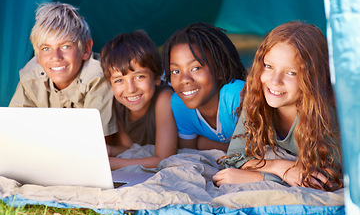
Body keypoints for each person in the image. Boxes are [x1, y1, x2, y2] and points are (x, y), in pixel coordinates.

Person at [213, 21, 343, 191]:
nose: (275, 82)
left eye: (291, 73)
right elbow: (234, 158)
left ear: (313, 78)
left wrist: (260, 176)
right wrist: (280, 168)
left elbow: (328, 179)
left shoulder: (326, 112)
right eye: (268, 67)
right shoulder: (257, 98)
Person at [9, 2, 117, 139]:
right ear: (37, 56)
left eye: (65, 46)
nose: (55, 57)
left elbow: (97, 143)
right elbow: (14, 132)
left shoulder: (97, 76)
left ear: (86, 49)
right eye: (46, 48)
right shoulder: (30, 77)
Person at [162, 22, 247, 152]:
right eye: (175, 71)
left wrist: (202, 143)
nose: (184, 80)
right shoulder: (178, 104)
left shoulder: (235, 94)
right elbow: (189, 151)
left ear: (220, 70)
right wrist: (200, 144)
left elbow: (252, 150)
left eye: (195, 68)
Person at [100, 30, 177, 170]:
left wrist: (110, 164)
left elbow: (164, 159)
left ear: (157, 77)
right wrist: (110, 150)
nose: (130, 89)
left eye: (139, 77)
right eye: (119, 80)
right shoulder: (118, 103)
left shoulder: (164, 99)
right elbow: (127, 147)